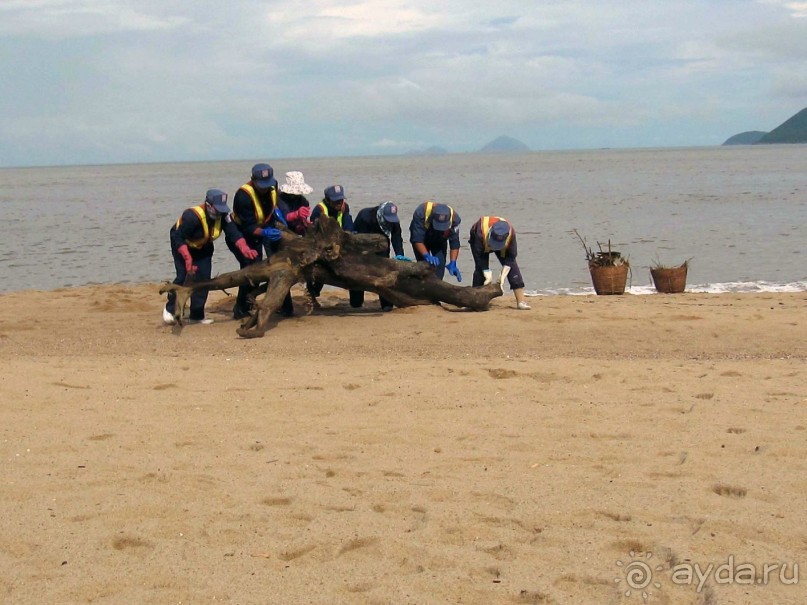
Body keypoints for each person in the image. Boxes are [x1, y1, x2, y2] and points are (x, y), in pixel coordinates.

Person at [163, 189, 257, 325]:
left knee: (203, 278)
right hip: (182, 246)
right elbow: (178, 237)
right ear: (208, 205)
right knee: (183, 277)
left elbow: (233, 232)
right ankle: (170, 309)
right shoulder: (192, 216)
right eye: (217, 209)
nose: (219, 213)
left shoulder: (223, 216)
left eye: (222, 210)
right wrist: (187, 258)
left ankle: (197, 315)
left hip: (204, 247)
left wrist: (244, 247)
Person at [227, 163, 292, 318]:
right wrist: (265, 233)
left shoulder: (273, 185)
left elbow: (275, 203)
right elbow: (249, 226)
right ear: (253, 180)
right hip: (244, 233)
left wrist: (282, 218)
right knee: (252, 269)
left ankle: (285, 305)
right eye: (261, 186)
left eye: (267, 185)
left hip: (266, 226)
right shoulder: (243, 196)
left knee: (279, 264)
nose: (265, 188)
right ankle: (241, 308)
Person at [350, 201, 410, 311]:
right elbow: (357, 238)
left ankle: (386, 304)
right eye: (387, 220)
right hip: (362, 248)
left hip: (382, 246)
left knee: (383, 273)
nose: (389, 222)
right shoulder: (365, 216)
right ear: (381, 214)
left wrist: (400, 254)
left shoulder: (393, 220)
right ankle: (356, 302)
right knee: (358, 272)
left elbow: (396, 237)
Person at [468, 216, 531, 310]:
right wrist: (486, 271)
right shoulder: (480, 232)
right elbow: (479, 257)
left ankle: (521, 301)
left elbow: (511, 257)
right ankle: (475, 301)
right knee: (480, 271)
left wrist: (502, 276)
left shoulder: (511, 234)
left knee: (513, 268)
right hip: (481, 242)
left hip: (501, 245)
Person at [307, 185, 354, 301]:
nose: (339, 203)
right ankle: (312, 292)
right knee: (320, 268)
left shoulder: (344, 207)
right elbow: (313, 232)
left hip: (338, 243)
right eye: (336, 201)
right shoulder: (320, 210)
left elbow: (347, 224)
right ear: (327, 200)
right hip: (321, 245)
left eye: (341, 200)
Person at [409, 201, 462, 282]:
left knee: (440, 267)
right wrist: (426, 255)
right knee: (423, 268)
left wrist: (453, 262)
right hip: (422, 240)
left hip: (439, 241)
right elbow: (417, 239)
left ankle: (436, 290)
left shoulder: (454, 219)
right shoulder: (421, 213)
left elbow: (454, 242)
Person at [277, 171, 313, 235]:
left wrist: (304, 222)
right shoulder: (280, 199)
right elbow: (284, 216)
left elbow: (303, 218)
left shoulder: (303, 201)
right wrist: (296, 214)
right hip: (280, 230)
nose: (295, 195)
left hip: (295, 231)